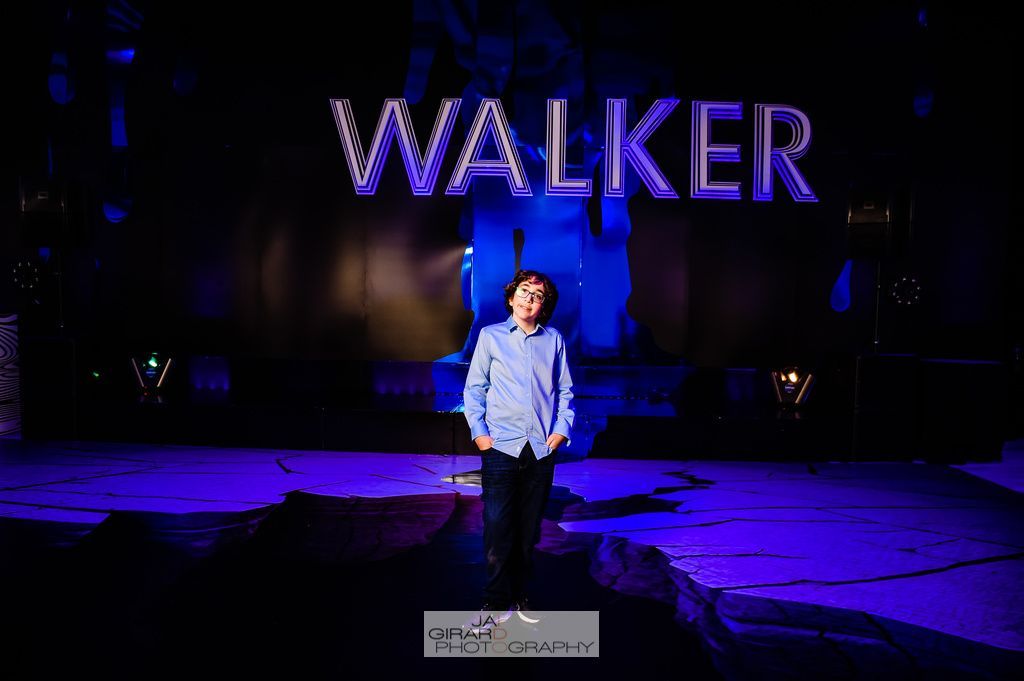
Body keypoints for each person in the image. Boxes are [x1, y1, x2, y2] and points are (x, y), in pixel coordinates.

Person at [463, 269, 575, 619]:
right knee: (498, 527)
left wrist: (561, 430)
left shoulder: (553, 339)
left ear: (544, 305)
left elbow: (566, 391)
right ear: (511, 298)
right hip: (500, 448)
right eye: (524, 291)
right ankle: (496, 600)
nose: (530, 298)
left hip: (541, 450)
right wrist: (480, 433)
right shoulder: (491, 336)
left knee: (529, 532)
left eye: (538, 295)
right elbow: (474, 388)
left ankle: (521, 594)